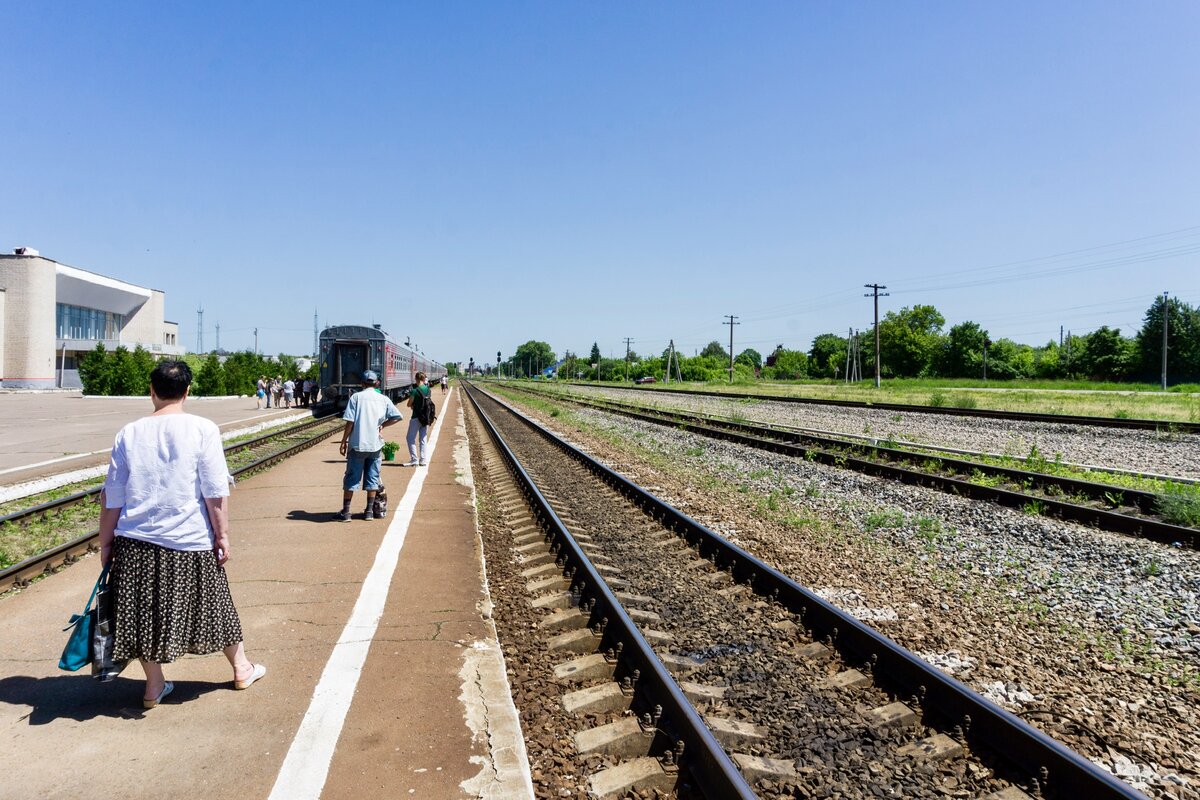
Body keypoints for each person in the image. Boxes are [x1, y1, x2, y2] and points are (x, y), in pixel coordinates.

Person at [99, 360, 265, 709]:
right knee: (216, 606)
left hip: (135, 541)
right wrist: (223, 535)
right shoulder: (203, 429)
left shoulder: (128, 433)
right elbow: (214, 490)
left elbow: (112, 496)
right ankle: (241, 668)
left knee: (141, 614)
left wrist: (107, 542)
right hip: (189, 539)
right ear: (188, 391)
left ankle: (153, 686)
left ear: (152, 391)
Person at [335, 370, 402, 521]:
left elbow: (350, 422)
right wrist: (382, 425)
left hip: (357, 444)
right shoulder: (383, 399)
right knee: (372, 479)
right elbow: (398, 416)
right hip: (375, 446)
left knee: (351, 478)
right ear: (377, 383)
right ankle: (369, 512)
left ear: (362, 383)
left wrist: (343, 441)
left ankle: (346, 513)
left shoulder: (356, 398)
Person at [405, 371, 433, 467]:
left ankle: (414, 459)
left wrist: (413, 405)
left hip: (416, 417)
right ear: (423, 379)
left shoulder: (415, 391)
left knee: (410, 438)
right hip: (426, 417)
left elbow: (408, 404)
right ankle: (423, 460)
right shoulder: (428, 390)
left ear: (416, 379)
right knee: (423, 439)